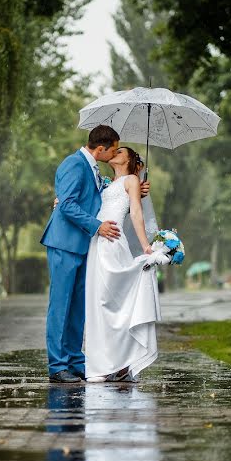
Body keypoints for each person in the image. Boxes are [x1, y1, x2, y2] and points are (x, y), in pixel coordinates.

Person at [41, 126, 152, 384]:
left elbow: (101, 193)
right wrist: (97, 226)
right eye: (114, 148)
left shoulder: (93, 169)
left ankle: (74, 361)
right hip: (64, 243)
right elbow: (67, 204)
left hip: (84, 246)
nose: (115, 152)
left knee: (78, 307)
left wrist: (134, 187)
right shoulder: (73, 164)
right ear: (101, 149)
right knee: (61, 306)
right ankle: (57, 366)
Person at [83, 146, 161, 383]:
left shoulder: (131, 181)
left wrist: (146, 246)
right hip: (97, 243)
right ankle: (105, 362)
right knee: (98, 304)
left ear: (129, 159)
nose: (114, 153)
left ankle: (122, 362)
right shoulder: (105, 184)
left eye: (120, 151)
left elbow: (136, 213)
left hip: (114, 242)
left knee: (115, 303)